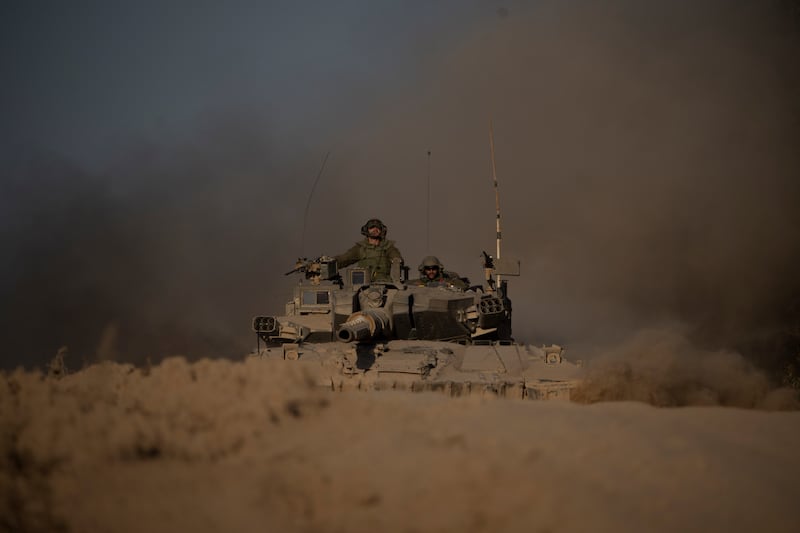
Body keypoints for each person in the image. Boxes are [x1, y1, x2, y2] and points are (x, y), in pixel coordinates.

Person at [334, 218, 403, 282]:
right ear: (367, 230)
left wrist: (396, 260)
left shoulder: (388, 247)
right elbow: (344, 258)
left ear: (382, 230)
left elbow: (396, 257)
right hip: (362, 285)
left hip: (384, 283)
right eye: (372, 227)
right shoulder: (360, 248)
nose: (375, 229)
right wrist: (329, 262)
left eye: (378, 228)